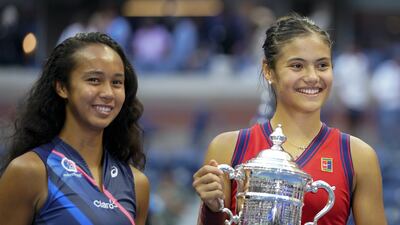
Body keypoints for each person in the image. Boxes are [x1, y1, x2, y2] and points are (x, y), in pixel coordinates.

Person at [192, 14, 386, 225]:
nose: (313, 76)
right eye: (297, 66)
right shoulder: (227, 147)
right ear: (268, 70)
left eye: (322, 65)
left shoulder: (358, 156)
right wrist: (212, 209)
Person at [0, 32, 149, 225]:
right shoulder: (30, 171)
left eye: (117, 83)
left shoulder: (137, 184)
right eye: (94, 80)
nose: (108, 93)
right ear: (62, 87)